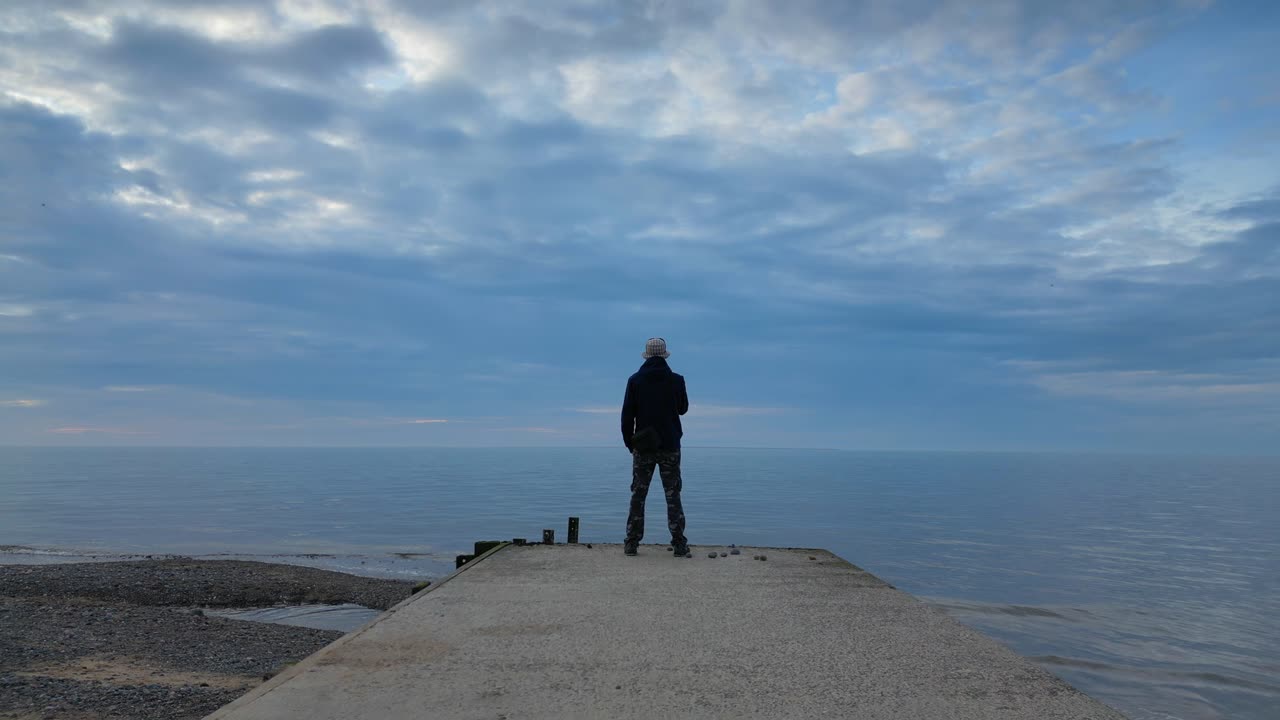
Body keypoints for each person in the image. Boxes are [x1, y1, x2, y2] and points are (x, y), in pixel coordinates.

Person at [621, 337, 690, 557]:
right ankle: (679, 544)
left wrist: (630, 443)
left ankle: (632, 543)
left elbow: (626, 416)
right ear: (664, 354)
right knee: (673, 496)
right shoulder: (677, 380)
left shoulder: (635, 380)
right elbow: (683, 409)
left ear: (647, 354)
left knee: (638, 495)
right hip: (670, 445)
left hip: (643, 446)